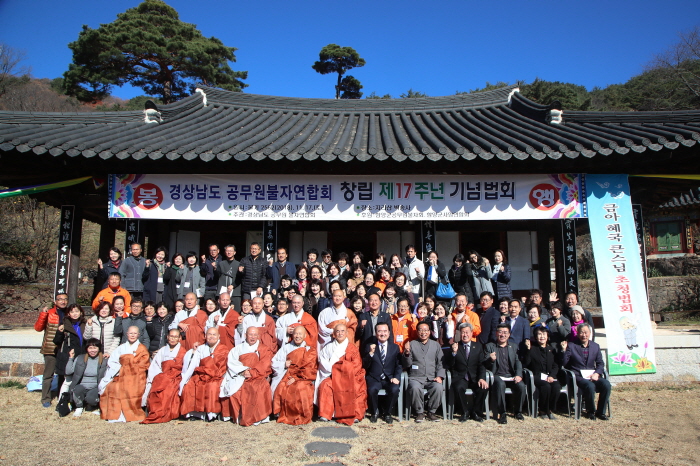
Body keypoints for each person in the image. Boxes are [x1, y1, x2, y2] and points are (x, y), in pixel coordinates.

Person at [220, 327, 274, 426]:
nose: (252, 337)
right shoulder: (238, 348)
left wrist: (253, 372)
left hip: (258, 376)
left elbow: (265, 363)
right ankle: (239, 416)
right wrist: (243, 371)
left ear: (258, 336)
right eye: (250, 334)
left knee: (259, 388)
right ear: (245, 335)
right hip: (241, 375)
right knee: (234, 390)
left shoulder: (264, 349)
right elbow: (232, 362)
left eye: (255, 335)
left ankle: (259, 417)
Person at [315, 324, 367, 425]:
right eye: (337, 331)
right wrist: (335, 371)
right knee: (325, 385)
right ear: (334, 334)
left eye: (342, 331)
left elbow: (356, 365)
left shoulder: (352, 348)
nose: (340, 333)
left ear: (347, 333)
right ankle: (326, 414)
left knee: (357, 386)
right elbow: (323, 361)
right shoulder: (328, 347)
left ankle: (354, 414)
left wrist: (342, 370)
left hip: (350, 376)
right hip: (332, 375)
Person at [98, 326, 150, 422]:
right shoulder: (121, 347)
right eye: (131, 333)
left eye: (135, 333)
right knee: (113, 387)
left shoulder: (142, 349)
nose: (132, 335)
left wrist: (130, 367)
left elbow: (144, 365)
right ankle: (115, 414)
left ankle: (130, 414)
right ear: (127, 334)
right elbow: (113, 361)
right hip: (120, 373)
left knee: (129, 388)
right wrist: (121, 369)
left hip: (135, 377)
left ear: (138, 335)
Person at [562, 323, 611, 421]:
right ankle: (590, 411)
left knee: (606, 385)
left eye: (586, 332)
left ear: (590, 333)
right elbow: (564, 363)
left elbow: (600, 363)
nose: (584, 335)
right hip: (578, 376)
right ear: (577, 333)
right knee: (590, 386)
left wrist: (597, 373)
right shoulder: (571, 345)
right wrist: (564, 351)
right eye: (581, 332)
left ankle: (601, 412)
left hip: (592, 375)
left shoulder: (595, 346)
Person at [179, 327, 229, 421]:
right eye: (209, 334)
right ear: (205, 336)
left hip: (217, 376)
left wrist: (208, 372)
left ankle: (211, 414)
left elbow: (221, 368)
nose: (211, 336)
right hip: (202, 374)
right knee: (191, 384)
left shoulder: (223, 349)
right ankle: (194, 413)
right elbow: (194, 363)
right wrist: (193, 351)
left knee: (212, 386)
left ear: (218, 336)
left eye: (214, 334)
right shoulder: (201, 348)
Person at [271, 326, 318, 425]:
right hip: (286, 374)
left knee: (300, 388)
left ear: (305, 336)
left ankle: (301, 415)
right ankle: (282, 414)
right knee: (282, 386)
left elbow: (310, 368)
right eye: (296, 333)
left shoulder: (309, 350)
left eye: (300, 334)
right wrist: (284, 364)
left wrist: (296, 378)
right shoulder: (286, 347)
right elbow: (274, 362)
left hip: (303, 378)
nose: (297, 336)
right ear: (292, 335)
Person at [445, 323, 489, 422]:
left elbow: (481, 365)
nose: (465, 335)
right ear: (460, 334)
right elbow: (449, 365)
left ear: (471, 333)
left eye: (467, 332)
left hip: (474, 377)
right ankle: (465, 412)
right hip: (460, 377)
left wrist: (481, 378)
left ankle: (475, 412)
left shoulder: (478, 346)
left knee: (483, 388)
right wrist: (454, 353)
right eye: (463, 332)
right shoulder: (455, 346)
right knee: (458, 387)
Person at [141, 329, 187, 424]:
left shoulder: (183, 351)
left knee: (169, 389)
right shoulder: (162, 350)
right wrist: (160, 376)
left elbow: (184, 368)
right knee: (156, 386)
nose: (173, 339)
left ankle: (169, 412)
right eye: (171, 336)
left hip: (176, 377)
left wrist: (173, 376)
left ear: (179, 338)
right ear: (167, 337)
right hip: (162, 375)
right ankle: (155, 411)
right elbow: (155, 365)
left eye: (175, 337)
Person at [402, 321, 445, 422]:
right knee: (414, 388)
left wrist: (439, 376)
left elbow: (441, 363)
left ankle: (431, 412)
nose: (423, 332)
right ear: (417, 332)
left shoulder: (436, 345)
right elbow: (406, 364)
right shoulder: (411, 344)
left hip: (432, 377)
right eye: (421, 330)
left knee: (438, 387)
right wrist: (407, 353)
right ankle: (419, 412)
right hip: (416, 377)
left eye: (426, 330)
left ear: (429, 332)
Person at [485, 323, 526, 424]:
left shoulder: (513, 346)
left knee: (521, 386)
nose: (502, 335)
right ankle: (502, 413)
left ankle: (518, 412)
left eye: (505, 332)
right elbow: (484, 365)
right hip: (496, 376)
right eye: (500, 332)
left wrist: (518, 374)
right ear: (496, 333)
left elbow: (518, 362)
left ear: (509, 334)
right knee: (500, 384)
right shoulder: (489, 346)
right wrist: (491, 360)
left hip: (511, 376)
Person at [363, 322, 402, 423]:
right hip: (374, 378)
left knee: (394, 389)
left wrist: (396, 377)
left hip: (389, 378)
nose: (382, 334)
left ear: (389, 333)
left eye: (385, 331)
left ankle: (387, 413)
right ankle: (374, 412)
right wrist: (370, 353)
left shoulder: (395, 347)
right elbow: (364, 365)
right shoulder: (370, 346)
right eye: (380, 331)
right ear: (376, 333)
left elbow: (398, 365)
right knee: (372, 389)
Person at [34, 293, 68, 407]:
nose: (63, 301)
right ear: (55, 302)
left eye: (65, 299)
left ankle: (61, 395)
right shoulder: (49, 313)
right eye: (60, 299)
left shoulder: (69, 313)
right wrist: (43, 314)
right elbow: (38, 328)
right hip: (50, 347)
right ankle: (46, 398)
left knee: (63, 373)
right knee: (48, 374)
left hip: (63, 348)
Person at [523, 326, 561, 420]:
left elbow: (555, 365)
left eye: (544, 334)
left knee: (556, 386)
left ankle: (550, 409)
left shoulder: (552, 349)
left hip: (549, 375)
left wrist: (552, 376)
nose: (542, 336)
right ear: (536, 337)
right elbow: (526, 364)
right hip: (536, 375)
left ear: (547, 336)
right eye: (539, 334)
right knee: (546, 386)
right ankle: (543, 410)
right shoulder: (532, 348)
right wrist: (528, 350)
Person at [67, 339, 108, 417]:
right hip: (82, 385)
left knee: (91, 399)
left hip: (95, 387)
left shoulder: (104, 360)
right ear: (87, 349)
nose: (92, 350)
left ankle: (91, 405)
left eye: (95, 348)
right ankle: (79, 407)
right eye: (90, 348)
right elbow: (68, 371)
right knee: (77, 390)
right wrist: (71, 358)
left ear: (99, 348)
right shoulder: (80, 358)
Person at [53, 304, 86, 395]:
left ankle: (75, 397)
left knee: (79, 378)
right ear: (68, 314)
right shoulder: (64, 324)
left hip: (81, 355)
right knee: (66, 379)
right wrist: (59, 332)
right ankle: (62, 398)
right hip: (68, 355)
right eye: (72, 312)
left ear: (81, 312)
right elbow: (56, 341)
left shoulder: (85, 324)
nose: (75, 314)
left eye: (77, 311)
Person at [217, 244, 242, 314]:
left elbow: (240, 278)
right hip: (223, 290)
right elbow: (217, 276)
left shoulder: (239, 264)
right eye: (227, 251)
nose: (229, 252)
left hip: (235, 292)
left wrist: (233, 285)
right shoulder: (221, 264)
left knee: (236, 312)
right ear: (225, 252)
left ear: (234, 252)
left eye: (231, 251)